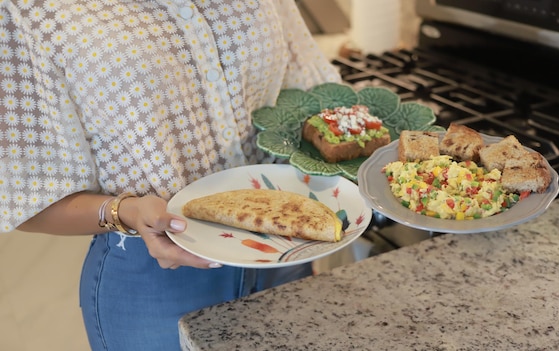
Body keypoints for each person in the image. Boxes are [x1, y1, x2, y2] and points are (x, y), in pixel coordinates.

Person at [0, 0, 341, 349]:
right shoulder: (29, 10)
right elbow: (26, 195)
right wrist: (127, 212)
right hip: (157, 275)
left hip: (285, 247)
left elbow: (309, 93)